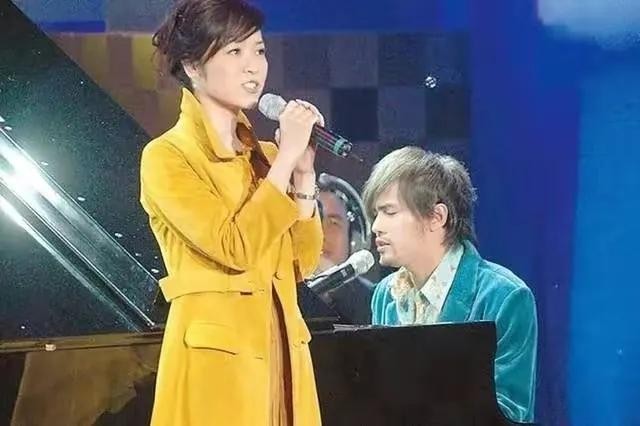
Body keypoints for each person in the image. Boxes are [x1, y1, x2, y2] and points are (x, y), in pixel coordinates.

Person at [140, 1, 324, 424]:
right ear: (193, 65)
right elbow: (234, 246)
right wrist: (284, 164)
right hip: (217, 372)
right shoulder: (167, 157)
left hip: (284, 361)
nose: (252, 66)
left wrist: (303, 173)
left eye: (258, 50)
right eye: (234, 51)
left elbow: (303, 262)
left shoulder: (269, 159)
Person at [364, 146, 538, 423]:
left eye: (390, 212)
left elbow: (510, 412)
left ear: (437, 217)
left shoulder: (505, 296)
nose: (376, 226)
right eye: (376, 213)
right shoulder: (385, 294)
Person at [314, 176, 373, 324]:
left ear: (354, 238)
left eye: (334, 223)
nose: (321, 233)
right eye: (313, 220)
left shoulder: (374, 302)